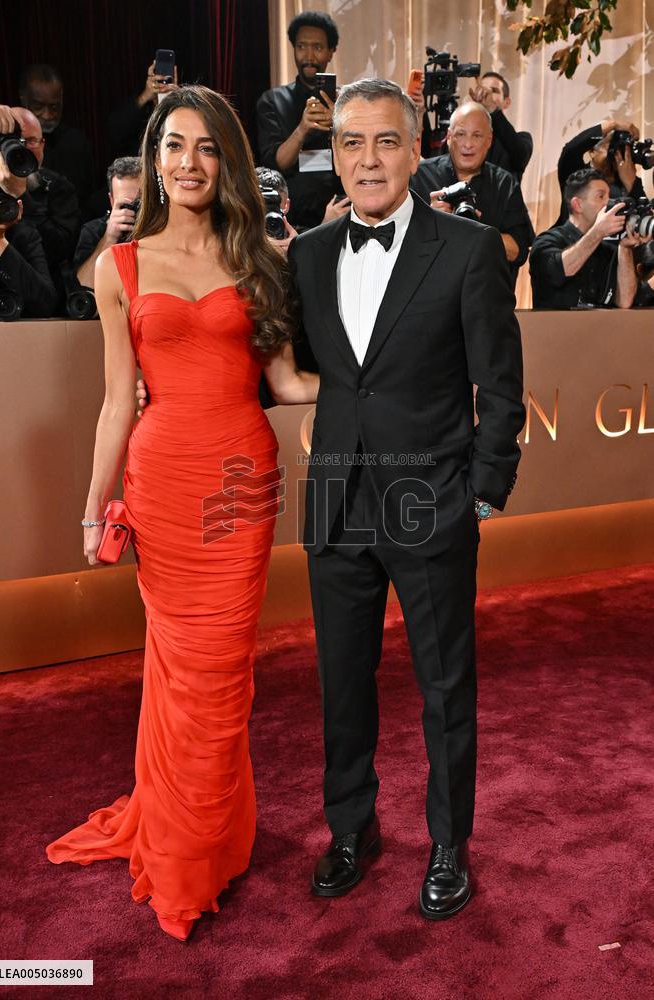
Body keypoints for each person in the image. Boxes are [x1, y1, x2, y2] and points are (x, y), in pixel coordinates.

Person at [45, 85, 318, 942]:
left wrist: (389, 384)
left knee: (219, 674)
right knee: (175, 670)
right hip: (160, 486)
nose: (188, 162)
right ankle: (183, 847)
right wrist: (94, 509)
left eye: (205, 146)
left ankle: (199, 847)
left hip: (238, 486)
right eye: (173, 145)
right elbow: (114, 403)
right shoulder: (119, 266)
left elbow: (287, 385)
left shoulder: (261, 261)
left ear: (227, 159)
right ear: (154, 158)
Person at [287, 80, 524, 919]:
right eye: (351, 143)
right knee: (341, 684)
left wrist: (481, 491)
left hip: (432, 500)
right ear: (335, 154)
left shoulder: (467, 249)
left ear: (413, 148)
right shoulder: (309, 255)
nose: (367, 160)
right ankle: (351, 827)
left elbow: (500, 385)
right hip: (336, 500)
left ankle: (449, 844)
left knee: (444, 687)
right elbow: (302, 370)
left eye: (385, 141)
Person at [410, 102, 534, 286]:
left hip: (486, 293)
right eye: (461, 134)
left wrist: (475, 230)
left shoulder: (505, 184)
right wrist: (430, 220)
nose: (468, 144)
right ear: (449, 137)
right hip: (430, 292)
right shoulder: (419, 176)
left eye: (477, 135)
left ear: (489, 140)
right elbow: (396, 237)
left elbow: (519, 251)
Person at [256, 10, 346, 230]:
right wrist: (303, 128)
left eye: (318, 47)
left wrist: (340, 123)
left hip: (341, 215)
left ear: (331, 52)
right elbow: (273, 164)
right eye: (301, 46)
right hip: (290, 221)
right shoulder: (273, 101)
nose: (309, 56)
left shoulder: (346, 102)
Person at [529, 167, 646, 309]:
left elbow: (624, 301)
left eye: (609, 196)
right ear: (577, 205)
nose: (608, 203)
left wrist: (625, 247)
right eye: (601, 196)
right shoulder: (547, 240)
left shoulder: (607, 248)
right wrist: (598, 232)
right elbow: (563, 269)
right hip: (554, 323)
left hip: (599, 323)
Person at [0, 103, 56, 317]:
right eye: (12, 141)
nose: (20, 150)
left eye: (29, 141)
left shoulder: (20, 229)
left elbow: (45, 303)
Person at [18, 64, 96, 216]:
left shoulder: (77, 142)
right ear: (23, 99)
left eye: (54, 107)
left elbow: (87, 196)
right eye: (38, 106)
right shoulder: (11, 144)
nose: (47, 115)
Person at [555, 117, 646, 225]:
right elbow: (570, 150)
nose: (615, 154)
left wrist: (632, 184)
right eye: (609, 147)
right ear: (592, 151)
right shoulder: (576, 174)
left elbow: (644, 218)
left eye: (619, 149)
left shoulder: (628, 179)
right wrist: (613, 124)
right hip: (575, 235)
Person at [75, 157, 142, 289]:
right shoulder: (94, 231)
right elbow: (83, 287)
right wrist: (109, 237)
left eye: (140, 202)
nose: (136, 210)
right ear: (111, 200)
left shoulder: (167, 228)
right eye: (127, 205)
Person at [467, 72, 533, 181]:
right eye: (482, 89)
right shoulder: (465, 138)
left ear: (507, 102)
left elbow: (520, 156)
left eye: (494, 90)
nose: (486, 94)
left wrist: (492, 109)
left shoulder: (522, 138)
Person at [108, 62, 179, 159]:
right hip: (140, 164)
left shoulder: (181, 106)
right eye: (156, 78)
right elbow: (114, 134)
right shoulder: (140, 108)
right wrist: (144, 97)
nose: (162, 82)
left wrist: (177, 100)